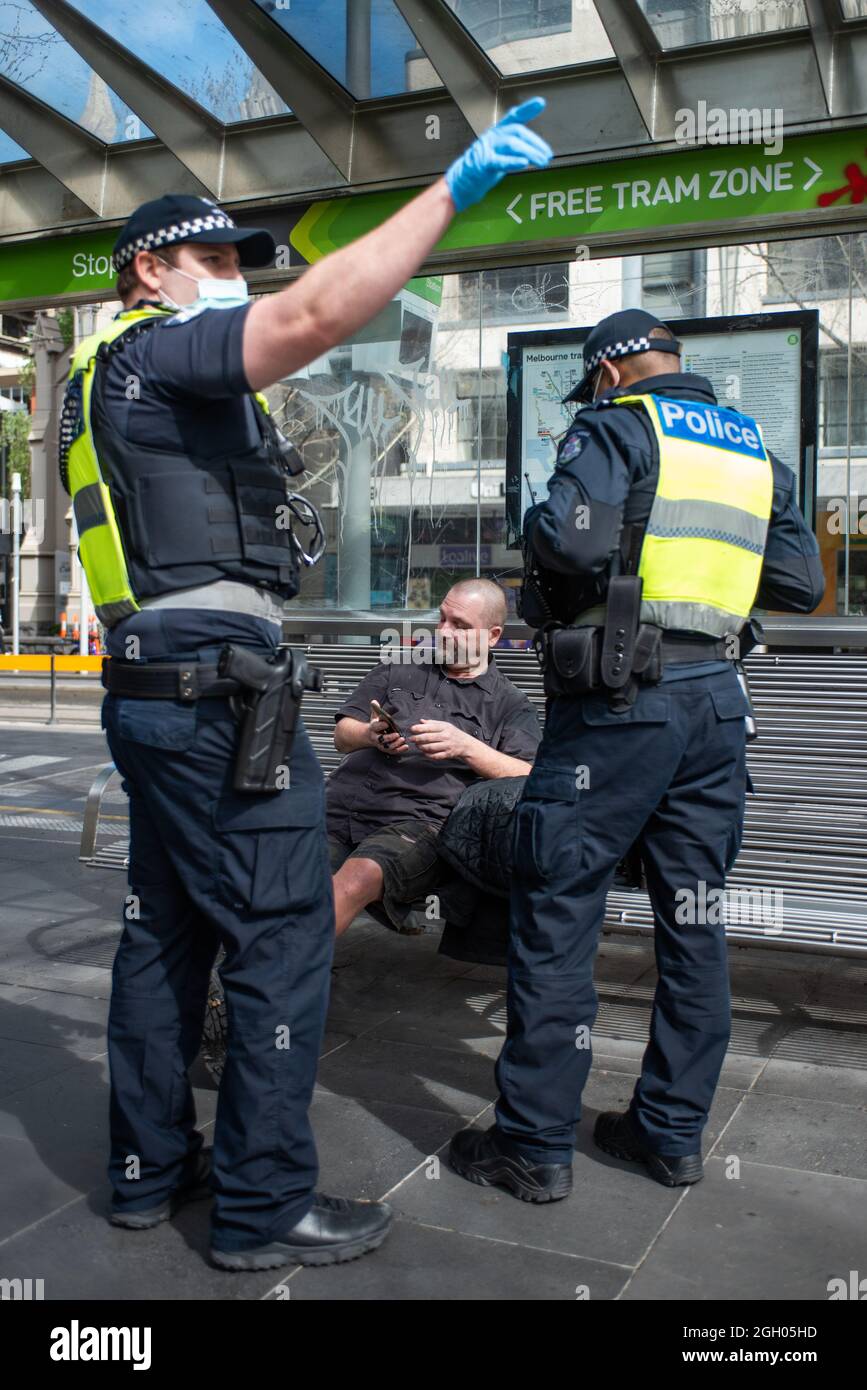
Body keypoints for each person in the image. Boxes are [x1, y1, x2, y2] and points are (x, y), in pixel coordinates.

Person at [59, 101, 553, 1270]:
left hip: (155, 691)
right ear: (148, 268)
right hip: (212, 699)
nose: (233, 280)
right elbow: (319, 313)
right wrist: (448, 195)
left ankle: (145, 1172)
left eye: (243, 261)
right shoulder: (148, 345)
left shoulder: (105, 377)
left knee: (163, 935)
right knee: (284, 932)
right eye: (215, 260)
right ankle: (263, 1202)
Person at [447, 307, 824, 1202]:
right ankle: (667, 1135)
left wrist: (568, 536)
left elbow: (569, 540)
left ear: (610, 371)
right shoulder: (747, 447)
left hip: (620, 705)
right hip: (717, 709)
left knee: (557, 908)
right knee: (693, 924)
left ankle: (532, 1147)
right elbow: (801, 582)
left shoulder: (615, 423)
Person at [327, 580, 541, 936]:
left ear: (492, 635)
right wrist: (369, 734)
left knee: (356, 878)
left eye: (459, 625)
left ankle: (283, 985)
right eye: (441, 619)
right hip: (341, 809)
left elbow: (530, 774)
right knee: (287, 874)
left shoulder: (508, 703)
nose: (443, 632)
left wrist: (466, 747)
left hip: (417, 826)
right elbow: (341, 736)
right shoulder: (400, 668)